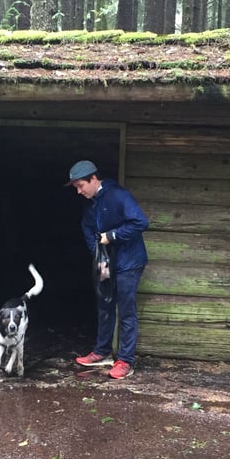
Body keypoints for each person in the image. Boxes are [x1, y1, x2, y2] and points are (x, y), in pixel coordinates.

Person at [66, 160, 149, 379]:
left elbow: (140, 222)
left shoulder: (118, 195)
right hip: (105, 263)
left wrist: (111, 236)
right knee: (104, 303)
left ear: (93, 179)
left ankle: (125, 361)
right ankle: (102, 352)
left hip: (129, 263)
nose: (79, 191)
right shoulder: (91, 202)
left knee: (126, 309)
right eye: (75, 187)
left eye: (80, 185)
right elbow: (87, 227)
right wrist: (96, 252)